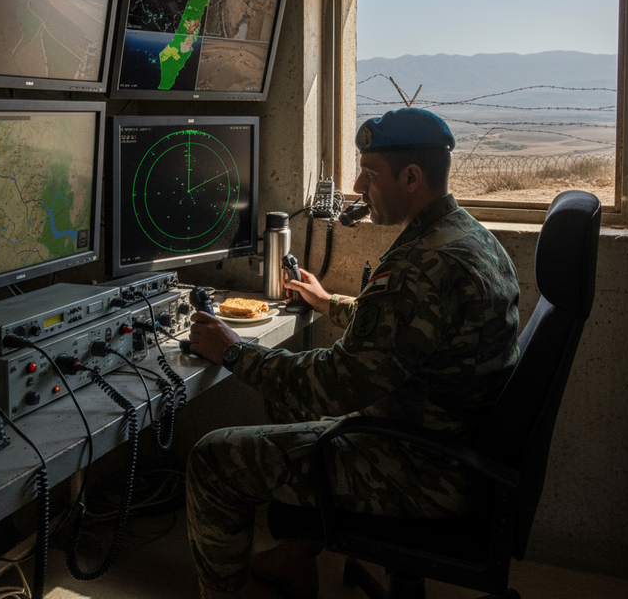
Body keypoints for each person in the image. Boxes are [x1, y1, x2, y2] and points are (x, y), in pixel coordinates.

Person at [185, 108, 520, 599]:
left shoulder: (421, 265)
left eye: (370, 174)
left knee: (212, 458)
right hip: (446, 444)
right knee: (285, 405)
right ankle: (294, 562)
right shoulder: (465, 236)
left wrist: (233, 352)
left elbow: (334, 384)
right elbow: (409, 330)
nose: (360, 189)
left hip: (420, 471)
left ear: (411, 177)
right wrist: (330, 302)